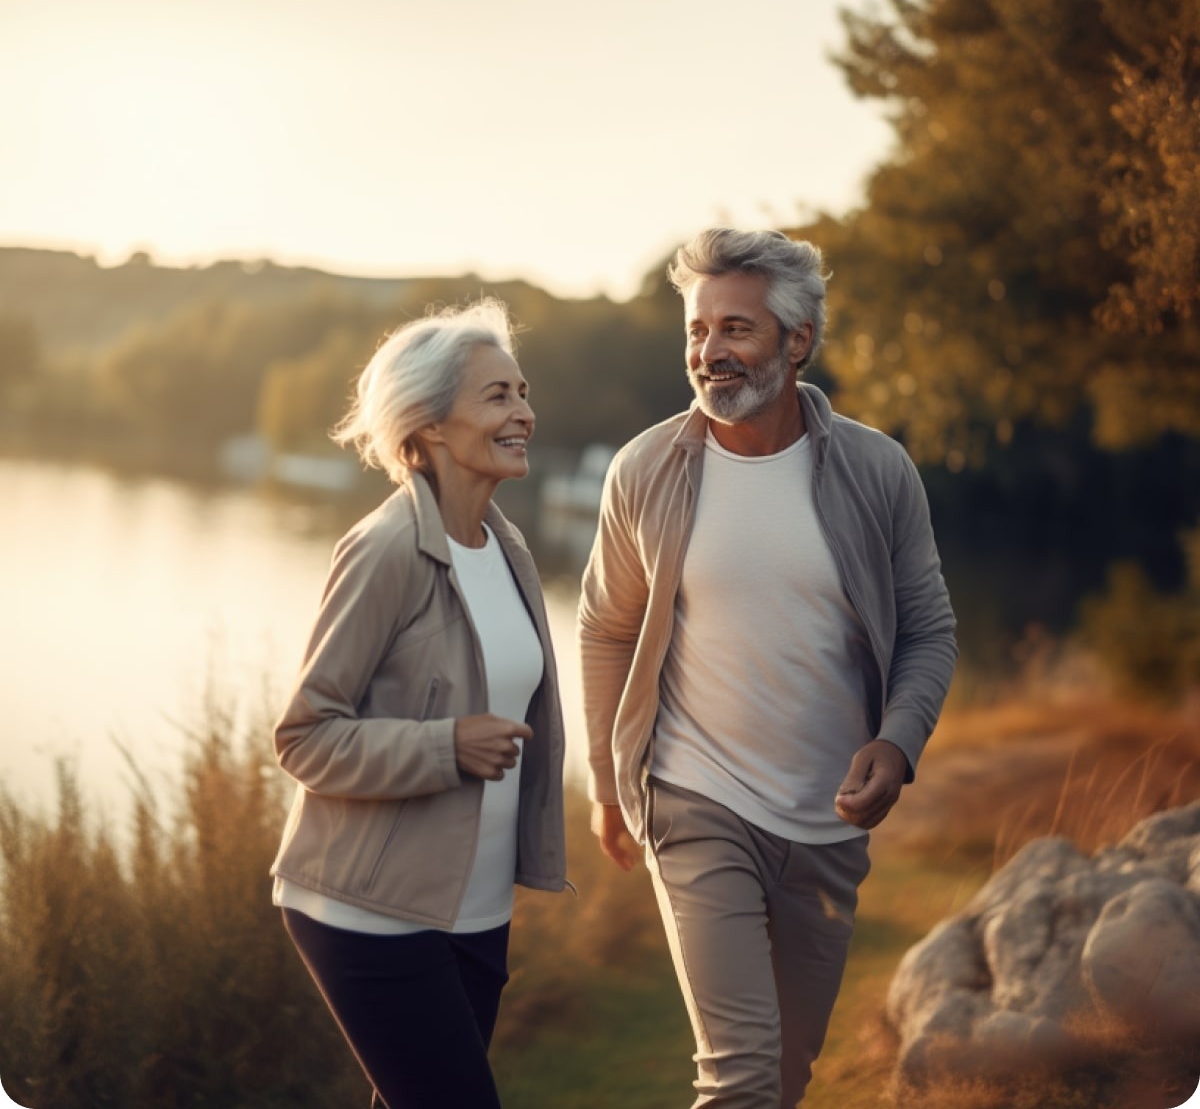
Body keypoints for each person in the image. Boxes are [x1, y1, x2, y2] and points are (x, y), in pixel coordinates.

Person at [579, 227, 957, 1108]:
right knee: (741, 1076)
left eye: (735, 330)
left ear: (798, 341)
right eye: (697, 332)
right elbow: (605, 628)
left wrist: (897, 745)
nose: (709, 353)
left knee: (785, 1078)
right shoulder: (647, 470)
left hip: (828, 826)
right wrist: (607, 782)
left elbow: (930, 630)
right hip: (695, 799)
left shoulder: (877, 470)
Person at [270, 298, 567, 1109]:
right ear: (430, 426)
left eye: (522, 391)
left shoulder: (505, 545)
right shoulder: (385, 549)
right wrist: (446, 745)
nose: (524, 414)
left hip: (475, 911)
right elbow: (304, 737)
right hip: (366, 909)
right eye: (497, 397)